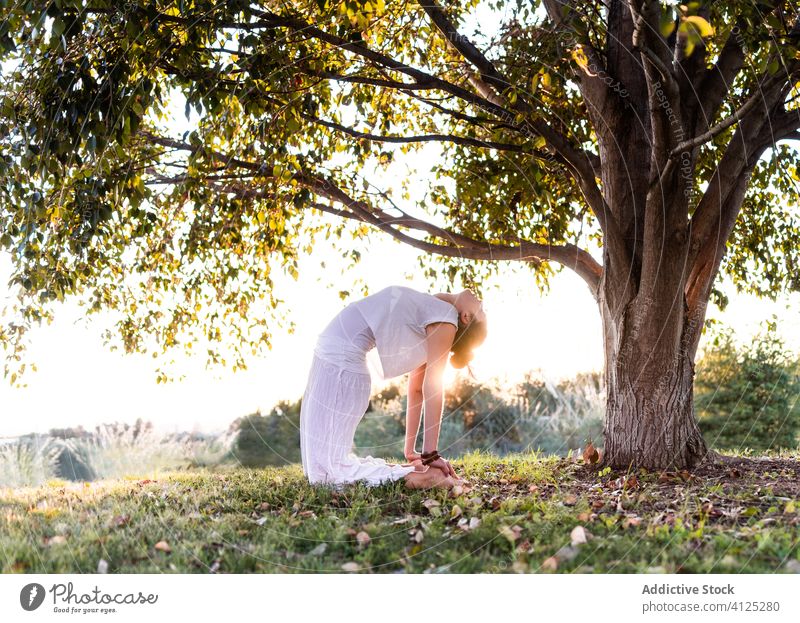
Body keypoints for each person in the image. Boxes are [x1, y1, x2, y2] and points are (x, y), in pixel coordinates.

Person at [299, 285, 488, 489]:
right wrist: (410, 451)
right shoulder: (436, 309)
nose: (481, 302)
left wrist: (430, 454)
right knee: (321, 469)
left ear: (466, 317)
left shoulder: (446, 318)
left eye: (483, 311)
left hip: (342, 363)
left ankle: (429, 478)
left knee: (326, 475)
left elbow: (432, 387)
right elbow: (415, 389)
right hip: (337, 358)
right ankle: (417, 473)